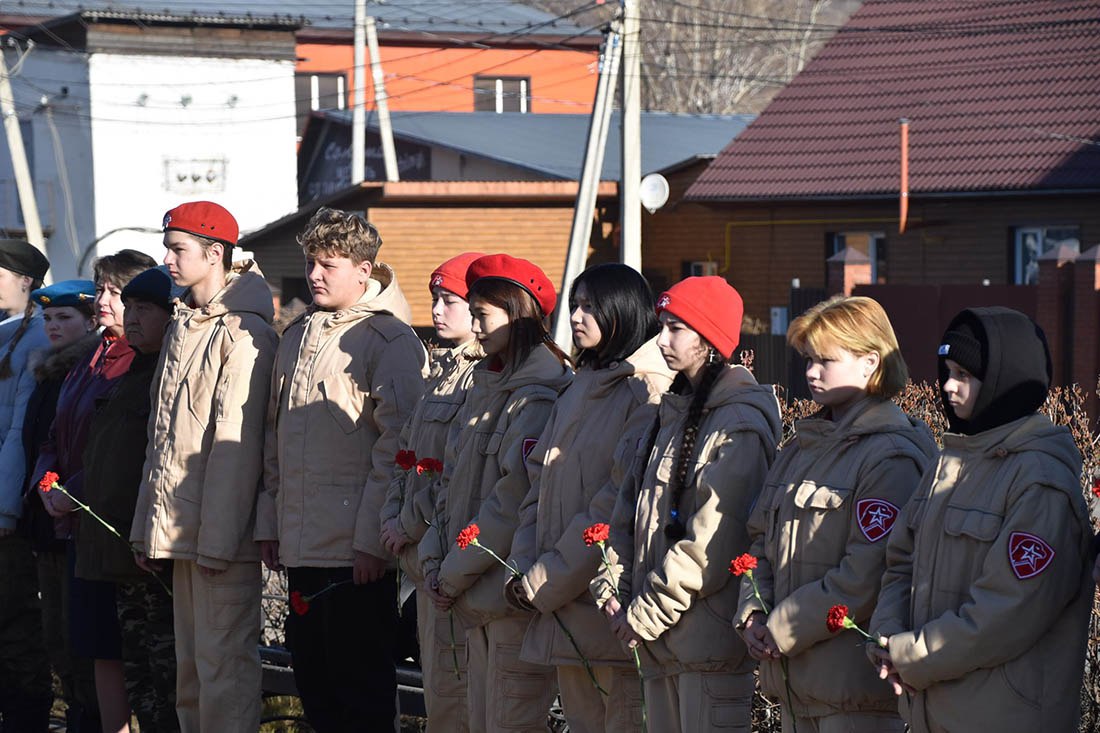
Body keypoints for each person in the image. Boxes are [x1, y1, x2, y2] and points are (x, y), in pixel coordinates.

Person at [869, 307, 1094, 733]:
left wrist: (911, 655)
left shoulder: (1040, 481)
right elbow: (900, 562)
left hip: (1003, 716)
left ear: (1002, 381)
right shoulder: (949, 461)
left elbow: (1007, 613)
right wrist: (886, 636)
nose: (948, 386)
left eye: (965, 375)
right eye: (947, 370)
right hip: (933, 711)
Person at [257, 207, 427, 732]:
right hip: (303, 548)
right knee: (317, 687)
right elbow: (274, 437)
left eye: (328, 264)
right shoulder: (298, 334)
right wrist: (270, 523)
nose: (314, 275)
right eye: (311, 262)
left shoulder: (389, 341)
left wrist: (372, 544)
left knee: (363, 694)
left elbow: (400, 449)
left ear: (365, 270)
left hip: (356, 556)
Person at [735, 295, 936, 733]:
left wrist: (781, 627)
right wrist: (752, 612)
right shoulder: (804, 446)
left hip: (855, 695)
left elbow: (868, 573)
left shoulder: (892, 455)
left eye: (825, 360)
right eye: (808, 359)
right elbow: (760, 542)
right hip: (795, 685)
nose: (810, 372)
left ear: (870, 362)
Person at [590, 275, 782, 733]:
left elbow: (712, 543)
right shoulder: (671, 412)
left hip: (705, 653)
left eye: (676, 328)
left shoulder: (738, 424)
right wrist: (611, 588)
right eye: (663, 326)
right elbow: (628, 515)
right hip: (660, 646)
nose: (662, 340)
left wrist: (644, 614)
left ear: (711, 340)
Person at [130, 201, 278, 732]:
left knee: (224, 674)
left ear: (215, 253)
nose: (167, 259)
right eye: (167, 246)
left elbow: (236, 448)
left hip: (219, 539)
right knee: (191, 675)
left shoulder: (245, 333)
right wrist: (148, 530)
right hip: (183, 531)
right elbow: (161, 440)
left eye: (178, 249)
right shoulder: (182, 325)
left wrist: (218, 539)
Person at [507, 263, 673, 732]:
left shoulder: (646, 391)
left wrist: (546, 578)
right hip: (561, 603)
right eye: (574, 305)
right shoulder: (579, 382)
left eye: (590, 307)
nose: (576, 317)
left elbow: (612, 505)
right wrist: (525, 565)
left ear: (621, 311)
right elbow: (536, 481)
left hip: (609, 609)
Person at [420, 254, 573, 733]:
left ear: (518, 315)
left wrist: (451, 572)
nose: (476, 327)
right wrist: (432, 558)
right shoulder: (487, 387)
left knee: (508, 722)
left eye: (483, 316)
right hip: (469, 594)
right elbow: (449, 484)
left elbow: (509, 503)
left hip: (503, 598)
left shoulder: (539, 396)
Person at [36, 249, 157, 733]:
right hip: (78, 522)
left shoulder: (136, 360)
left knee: (127, 647)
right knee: (94, 644)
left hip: (112, 520)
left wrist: (75, 492)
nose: (103, 299)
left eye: (114, 291)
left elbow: (119, 450)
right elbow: (55, 432)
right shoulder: (93, 356)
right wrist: (48, 483)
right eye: (102, 288)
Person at [378, 251, 484, 732]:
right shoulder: (439, 372)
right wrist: (393, 511)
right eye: (434, 300)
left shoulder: (479, 378)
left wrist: (407, 522)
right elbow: (409, 456)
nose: (437, 311)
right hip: (423, 558)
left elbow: (452, 474)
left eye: (450, 300)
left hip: (452, 559)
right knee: (439, 697)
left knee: (458, 698)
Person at [81, 267, 180, 732]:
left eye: (145, 309)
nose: (132, 317)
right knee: (139, 676)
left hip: (153, 555)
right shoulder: (132, 373)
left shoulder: (168, 374)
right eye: (131, 307)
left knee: (167, 682)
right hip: (120, 552)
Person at [20, 278, 99, 733]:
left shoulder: (88, 370)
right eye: (47, 318)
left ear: (90, 320)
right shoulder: (53, 371)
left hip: (75, 522)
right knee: (56, 638)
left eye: (64, 318)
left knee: (78, 638)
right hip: (46, 520)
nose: (52, 326)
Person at [0, 240, 53, 731]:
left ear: (26, 282)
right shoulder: (5, 333)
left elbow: (18, 434)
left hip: (8, 511)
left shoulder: (36, 338)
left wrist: (5, 510)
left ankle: (26, 721)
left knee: (16, 624)